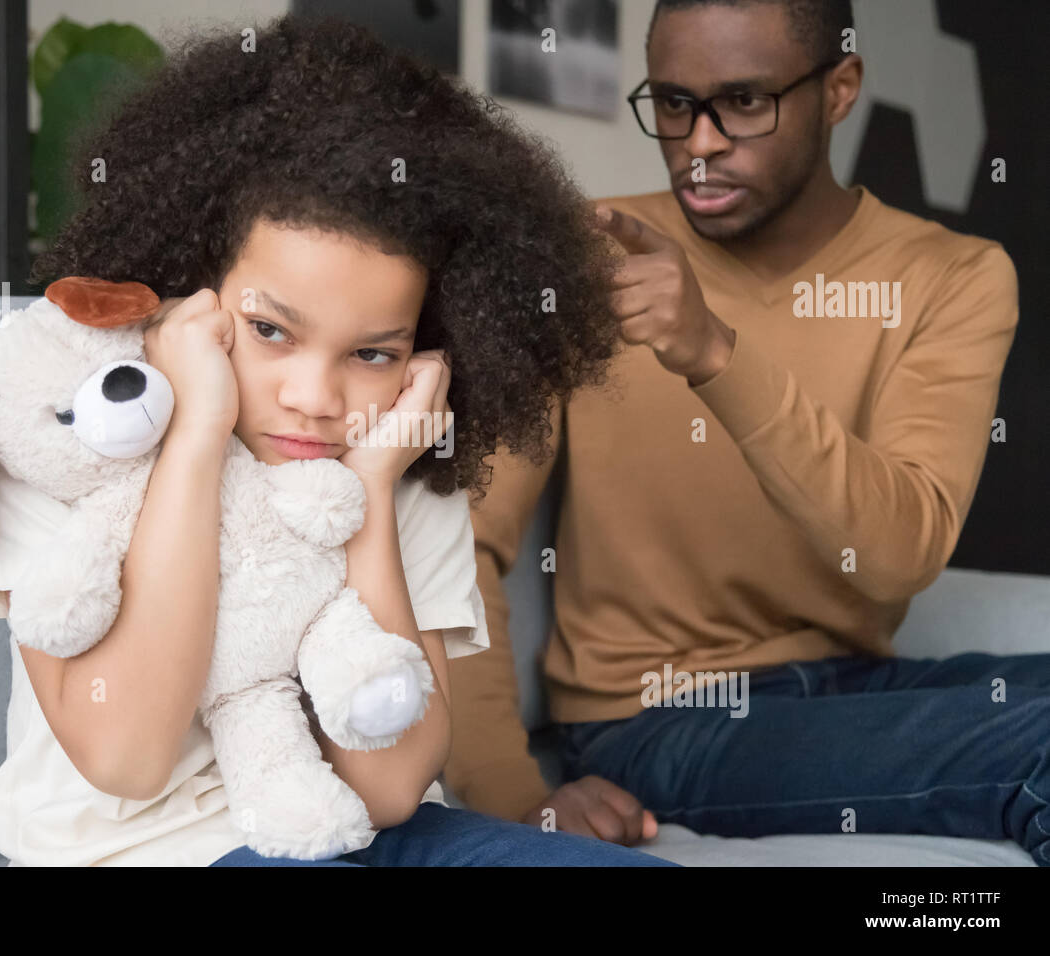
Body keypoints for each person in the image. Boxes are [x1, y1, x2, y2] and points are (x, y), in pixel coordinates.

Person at [0, 13, 676, 867]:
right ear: (193, 286)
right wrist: (197, 433)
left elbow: (389, 790)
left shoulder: (399, 458)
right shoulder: (68, 430)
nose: (316, 398)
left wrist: (378, 489)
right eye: (272, 330)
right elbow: (127, 755)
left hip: (367, 834)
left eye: (371, 352)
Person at [445, 0, 1047, 865]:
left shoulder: (953, 277)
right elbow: (461, 546)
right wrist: (515, 795)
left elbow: (898, 551)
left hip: (851, 689)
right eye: (676, 103)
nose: (700, 142)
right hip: (652, 718)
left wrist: (716, 355)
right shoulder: (582, 258)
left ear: (839, 91)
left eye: (745, 102)